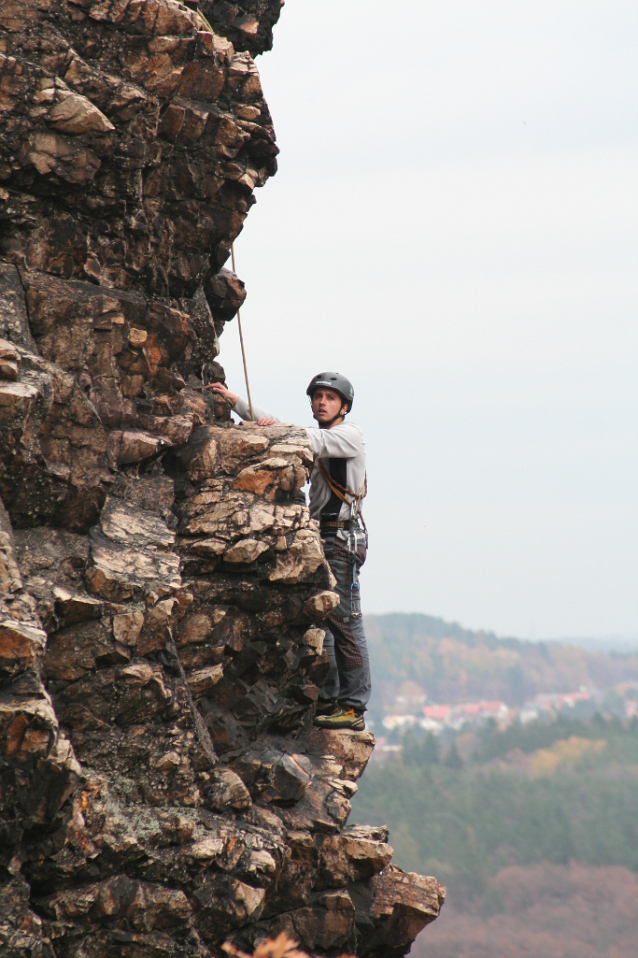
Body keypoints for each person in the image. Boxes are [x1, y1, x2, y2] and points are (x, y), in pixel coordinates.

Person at [208, 372, 371, 731]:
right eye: (318, 397)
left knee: (344, 621)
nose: (322, 402)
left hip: (342, 538)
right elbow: (288, 429)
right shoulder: (321, 437)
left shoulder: (349, 436)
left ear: (344, 406)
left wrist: (272, 428)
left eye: (330, 397)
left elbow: (298, 435)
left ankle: (353, 707)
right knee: (323, 620)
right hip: (325, 536)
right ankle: (329, 698)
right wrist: (235, 400)